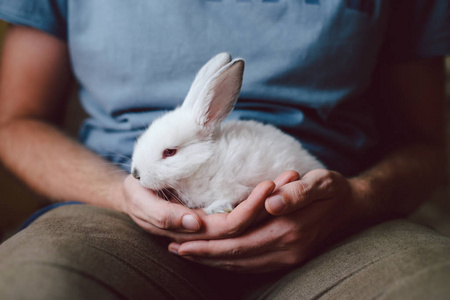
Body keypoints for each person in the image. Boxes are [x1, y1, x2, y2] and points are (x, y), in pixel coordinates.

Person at [0, 0, 449, 299]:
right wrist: (119, 192)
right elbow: (13, 120)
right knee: (33, 283)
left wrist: (355, 200)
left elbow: (426, 141)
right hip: (112, 213)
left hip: (335, 220)